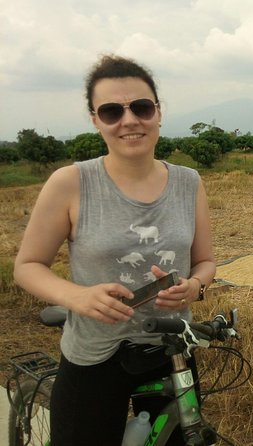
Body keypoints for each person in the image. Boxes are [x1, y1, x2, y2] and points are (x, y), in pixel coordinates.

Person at [13, 54, 216, 446]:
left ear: (158, 112)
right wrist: (78, 296)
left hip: (171, 351)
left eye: (141, 107)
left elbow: (206, 262)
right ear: (95, 119)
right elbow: (28, 265)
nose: (129, 120)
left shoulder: (189, 183)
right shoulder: (71, 182)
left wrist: (195, 288)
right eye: (111, 111)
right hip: (94, 355)